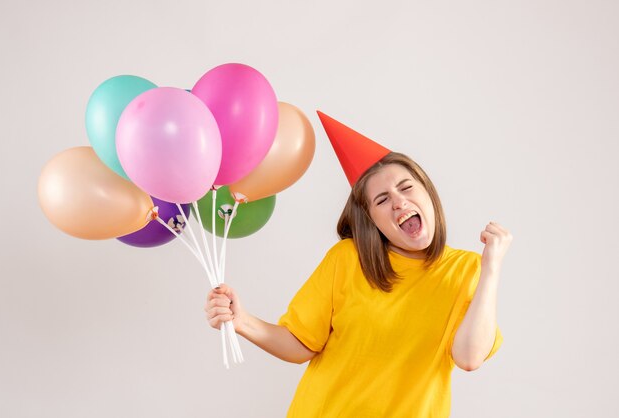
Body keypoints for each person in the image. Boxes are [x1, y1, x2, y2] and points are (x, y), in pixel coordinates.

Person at [205, 111, 512, 417]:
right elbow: (301, 343)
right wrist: (241, 321)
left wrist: (492, 268)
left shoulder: (466, 269)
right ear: (373, 220)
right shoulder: (348, 259)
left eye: (406, 188)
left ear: (427, 192)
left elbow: (469, 357)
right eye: (381, 200)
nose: (398, 201)